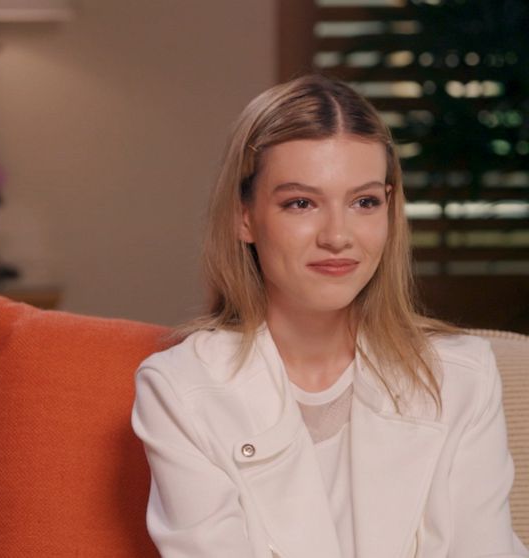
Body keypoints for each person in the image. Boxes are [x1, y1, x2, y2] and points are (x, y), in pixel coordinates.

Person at [131, 74, 528, 557]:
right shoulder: (179, 389)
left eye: (364, 202)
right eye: (301, 203)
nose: (337, 235)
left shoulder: (464, 375)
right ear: (244, 217)